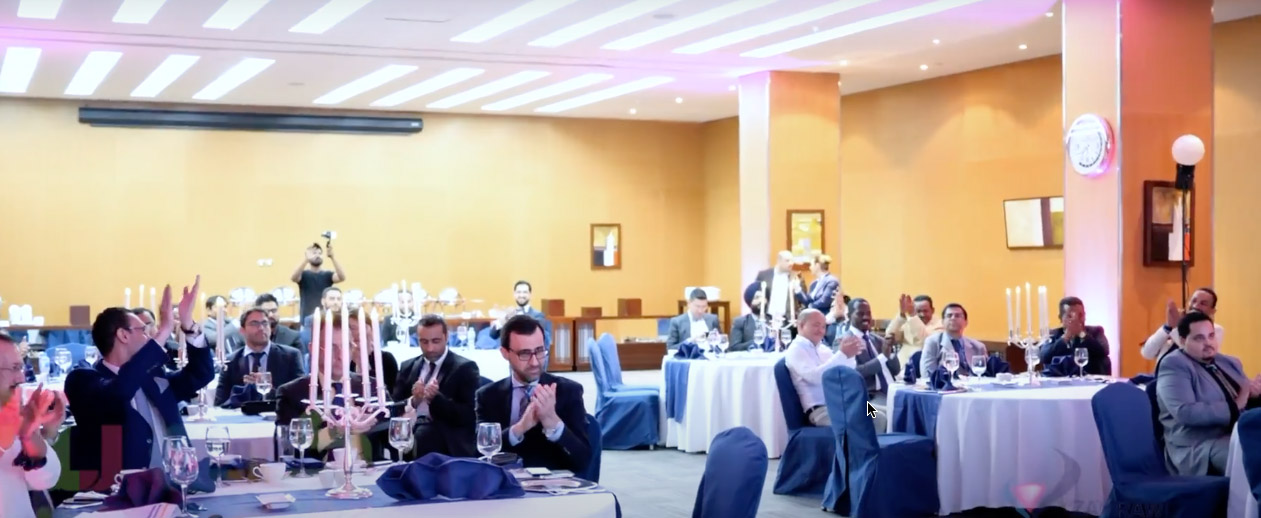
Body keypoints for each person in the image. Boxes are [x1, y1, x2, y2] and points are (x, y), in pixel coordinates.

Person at [66, 278, 214, 481]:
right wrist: (164, 331)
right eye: (143, 331)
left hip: (176, 484)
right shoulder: (83, 380)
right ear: (123, 335)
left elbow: (201, 374)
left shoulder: (153, 376)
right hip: (121, 490)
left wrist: (188, 326)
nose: (149, 337)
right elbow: (120, 390)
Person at [475, 315, 590, 471]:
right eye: (525, 354)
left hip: (551, 483)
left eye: (540, 351)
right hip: (503, 481)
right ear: (505, 353)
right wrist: (519, 428)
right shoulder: (487, 396)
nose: (535, 362)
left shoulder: (568, 391)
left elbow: (584, 461)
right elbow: (477, 454)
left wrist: (553, 423)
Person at [1156, 311, 1261, 476]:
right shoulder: (1174, 364)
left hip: (1236, 433)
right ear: (1182, 341)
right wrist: (1235, 405)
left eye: (1211, 336)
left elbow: (1245, 393)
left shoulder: (1228, 361)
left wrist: (1255, 395)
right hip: (1199, 446)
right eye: (1199, 338)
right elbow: (1185, 412)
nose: (1208, 343)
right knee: (1254, 455)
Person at [392, 315, 480, 458]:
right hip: (410, 434)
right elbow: (393, 408)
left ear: (446, 337)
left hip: (445, 440)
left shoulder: (464, 368)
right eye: (424, 342)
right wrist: (413, 401)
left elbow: (468, 415)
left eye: (436, 341)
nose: (430, 348)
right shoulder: (408, 367)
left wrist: (436, 399)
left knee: (425, 435)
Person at [0, 332, 67, 518]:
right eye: (14, 368)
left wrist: (31, 435)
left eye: (21, 367)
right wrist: (4, 443)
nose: (21, 378)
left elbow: (45, 480)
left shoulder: (10, 409)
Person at [213, 307, 305, 408]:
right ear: (242, 330)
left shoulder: (290, 356)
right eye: (254, 324)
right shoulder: (230, 361)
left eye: (265, 323)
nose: (261, 328)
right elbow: (220, 403)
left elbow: (300, 397)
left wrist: (268, 389)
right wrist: (242, 393)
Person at [783, 309, 861, 427]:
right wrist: (842, 354)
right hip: (821, 411)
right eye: (816, 325)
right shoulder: (796, 350)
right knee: (875, 419)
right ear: (801, 325)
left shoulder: (822, 348)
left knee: (883, 413)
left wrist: (851, 355)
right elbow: (815, 377)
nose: (821, 330)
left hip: (842, 404)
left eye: (824, 327)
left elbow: (845, 371)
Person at [841, 298, 900, 430]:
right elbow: (855, 372)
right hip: (865, 400)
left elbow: (896, 370)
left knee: (911, 411)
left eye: (868, 313)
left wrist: (891, 351)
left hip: (891, 392)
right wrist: (882, 357)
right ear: (849, 316)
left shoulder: (877, 339)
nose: (866, 317)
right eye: (860, 313)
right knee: (882, 416)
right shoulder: (844, 342)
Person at [1142, 288, 1224, 365]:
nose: (1195, 306)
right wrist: (1167, 327)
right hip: (1162, 373)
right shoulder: (1174, 324)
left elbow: (1196, 355)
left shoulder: (1215, 329)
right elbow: (1147, 353)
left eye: (1203, 304)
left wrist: (1176, 327)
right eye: (1194, 301)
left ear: (1212, 311)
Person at [1038, 297, 1111, 375]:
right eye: (1070, 316)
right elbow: (1044, 356)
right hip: (1060, 379)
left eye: (1080, 315)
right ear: (1061, 318)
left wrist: (1082, 334)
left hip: (1089, 378)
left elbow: (1104, 350)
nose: (1076, 320)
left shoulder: (1096, 331)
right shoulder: (1053, 334)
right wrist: (1066, 337)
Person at [919, 303, 987, 378]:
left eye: (957, 316)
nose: (953, 318)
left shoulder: (978, 347)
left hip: (974, 384)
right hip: (945, 384)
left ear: (966, 322)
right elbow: (927, 374)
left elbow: (986, 375)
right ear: (942, 322)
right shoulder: (933, 342)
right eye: (949, 316)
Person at [292, 242, 346, 325]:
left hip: (325, 319)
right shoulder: (303, 275)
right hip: (307, 320)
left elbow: (342, 277)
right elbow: (294, 278)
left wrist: (332, 257)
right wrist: (306, 260)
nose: (317, 255)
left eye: (320, 253)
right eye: (314, 253)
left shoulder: (327, 275)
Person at [488, 281, 552, 348]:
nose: (521, 295)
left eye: (525, 292)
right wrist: (504, 319)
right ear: (514, 294)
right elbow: (493, 335)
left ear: (530, 295)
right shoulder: (509, 314)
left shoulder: (538, 316)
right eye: (518, 292)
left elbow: (544, 340)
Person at [884, 294, 942, 366]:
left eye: (925, 311)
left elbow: (924, 341)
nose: (922, 314)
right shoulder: (909, 321)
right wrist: (901, 315)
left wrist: (913, 314)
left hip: (924, 367)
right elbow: (890, 335)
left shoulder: (941, 325)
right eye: (918, 311)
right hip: (902, 366)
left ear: (932, 310)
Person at [754, 251, 807, 323]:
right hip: (767, 318)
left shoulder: (797, 277)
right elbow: (755, 297)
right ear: (779, 261)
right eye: (787, 261)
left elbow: (804, 300)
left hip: (789, 320)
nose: (791, 263)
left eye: (792, 261)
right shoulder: (763, 275)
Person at [730, 282, 769, 352]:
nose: (761, 301)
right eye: (757, 298)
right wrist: (755, 342)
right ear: (750, 302)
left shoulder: (774, 321)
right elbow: (734, 347)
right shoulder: (740, 322)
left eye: (763, 297)